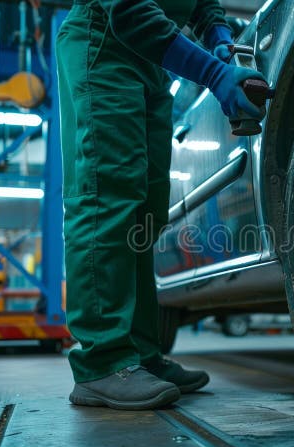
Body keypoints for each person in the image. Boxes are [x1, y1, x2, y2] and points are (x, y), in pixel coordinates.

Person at [57, 0, 266, 410]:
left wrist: (218, 39)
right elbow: (129, 10)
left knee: (146, 210)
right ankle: (102, 363)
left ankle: (139, 355)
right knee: (108, 197)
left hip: (151, 57)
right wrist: (213, 73)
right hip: (104, 41)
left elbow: (203, 4)